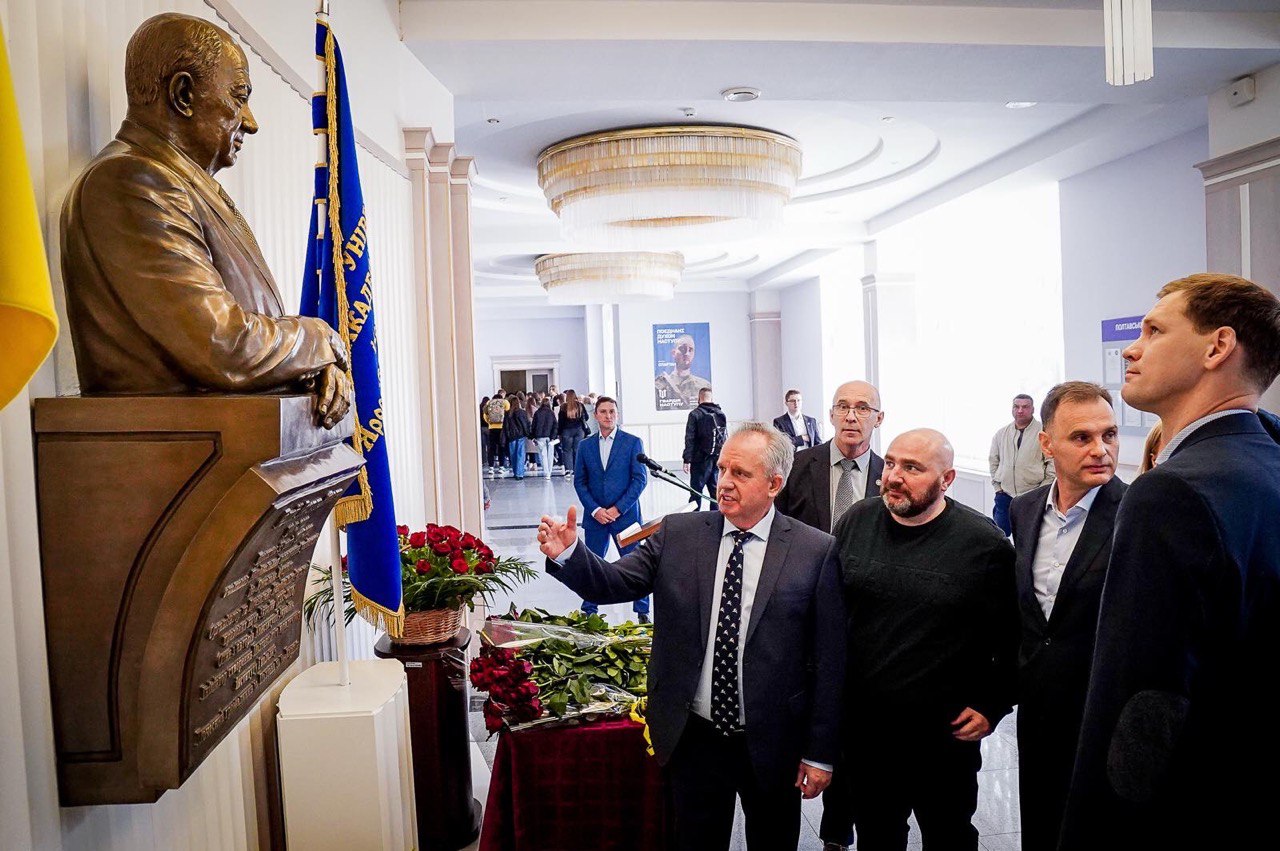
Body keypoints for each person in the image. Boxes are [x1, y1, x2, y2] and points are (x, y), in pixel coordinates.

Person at [537, 423, 845, 850]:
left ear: (774, 484)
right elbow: (612, 584)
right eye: (722, 469)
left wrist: (819, 753)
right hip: (693, 736)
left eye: (741, 473)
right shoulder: (678, 534)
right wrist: (570, 553)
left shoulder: (815, 550)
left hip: (774, 740)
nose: (724, 482)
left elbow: (829, 660)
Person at [1061, 273, 1280, 851]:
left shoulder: (1173, 492)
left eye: (1154, 331)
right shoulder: (1266, 464)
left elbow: (1137, 706)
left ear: (1217, 346)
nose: (1131, 349)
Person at [60, 12, 350, 429]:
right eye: (238, 96)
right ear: (183, 94)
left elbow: (250, 340)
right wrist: (322, 338)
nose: (250, 121)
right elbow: (225, 346)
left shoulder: (182, 185)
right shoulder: (133, 181)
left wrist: (312, 369)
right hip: (180, 451)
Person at [826, 428, 1017, 851]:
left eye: (912, 468)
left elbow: (1012, 636)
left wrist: (993, 705)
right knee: (877, 834)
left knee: (949, 835)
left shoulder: (983, 544)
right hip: (867, 732)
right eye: (892, 463)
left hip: (944, 736)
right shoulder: (857, 521)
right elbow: (830, 614)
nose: (894, 476)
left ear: (946, 479)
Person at [1008, 382, 1127, 851]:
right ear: (1047, 443)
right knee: (1040, 822)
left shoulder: (1136, 513)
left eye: (1109, 434)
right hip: (1037, 707)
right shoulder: (1024, 510)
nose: (1100, 449)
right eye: (1082, 437)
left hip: (1102, 714)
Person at [573, 397, 651, 621]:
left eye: (612, 411)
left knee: (636, 565)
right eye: (604, 412)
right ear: (596, 415)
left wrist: (618, 509)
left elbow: (640, 479)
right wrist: (596, 510)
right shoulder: (585, 446)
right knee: (592, 566)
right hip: (596, 519)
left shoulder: (632, 443)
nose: (608, 416)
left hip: (625, 517)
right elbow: (580, 482)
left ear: (617, 414)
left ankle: (643, 612)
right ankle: (589, 610)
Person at [776, 380, 885, 535]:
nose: (850, 417)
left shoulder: (887, 477)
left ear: (879, 419)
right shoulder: (795, 466)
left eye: (862, 408)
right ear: (831, 415)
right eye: (843, 407)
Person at [988, 394, 1054, 535]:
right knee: (999, 535)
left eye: (1025, 407)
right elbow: (993, 461)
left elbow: (1052, 463)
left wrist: (1041, 490)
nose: (1020, 410)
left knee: (1027, 537)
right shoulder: (1001, 433)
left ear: (1033, 409)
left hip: (1032, 496)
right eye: (1016, 406)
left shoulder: (1044, 433)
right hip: (1004, 495)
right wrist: (997, 488)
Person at [682, 387, 727, 510]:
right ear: (711, 398)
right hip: (717, 458)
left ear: (699, 398)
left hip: (699, 460)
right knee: (715, 491)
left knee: (696, 492)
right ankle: (716, 517)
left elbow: (689, 438)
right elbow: (724, 437)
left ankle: (695, 517)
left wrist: (687, 459)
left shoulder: (695, 414)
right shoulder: (720, 414)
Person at [655, 333, 712, 410]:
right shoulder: (659, 385)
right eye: (682, 349)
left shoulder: (704, 386)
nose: (687, 353)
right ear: (673, 353)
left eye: (690, 350)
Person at [557, 389, 588, 477]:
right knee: (577, 450)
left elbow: (560, 421)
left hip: (566, 430)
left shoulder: (563, 407)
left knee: (567, 450)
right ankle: (577, 470)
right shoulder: (580, 405)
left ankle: (568, 470)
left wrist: (559, 433)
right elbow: (586, 417)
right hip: (579, 430)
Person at [503, 396, 532, 480]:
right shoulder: (522, 412)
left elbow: (505, 426)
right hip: (520, 436)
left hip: (511, 437)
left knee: (513, 455)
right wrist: (528, 434)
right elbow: (525, 424)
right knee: (520, 455)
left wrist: (507, 435)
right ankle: (519, 474)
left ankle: (515, 472)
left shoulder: (508, 413)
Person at [483, 390, 510, 473]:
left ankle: (491, 467)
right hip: (501, 428)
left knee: (491, 448)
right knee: (502, 447)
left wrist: (489, 422)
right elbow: (508, 411)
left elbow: (485, 414)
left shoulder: (489, 402)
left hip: (491, 428)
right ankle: (501, 467)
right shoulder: (505, 402)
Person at [531, 396, 558, 479]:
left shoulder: (537, 413)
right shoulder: (551, 413)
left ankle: (546, 472)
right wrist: (553, 436)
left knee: (543, 455)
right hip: (550, 437)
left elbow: (533, 426)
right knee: (550, 455)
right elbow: (555, 425)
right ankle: (549, 471)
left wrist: (533, 437)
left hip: (540, 437)